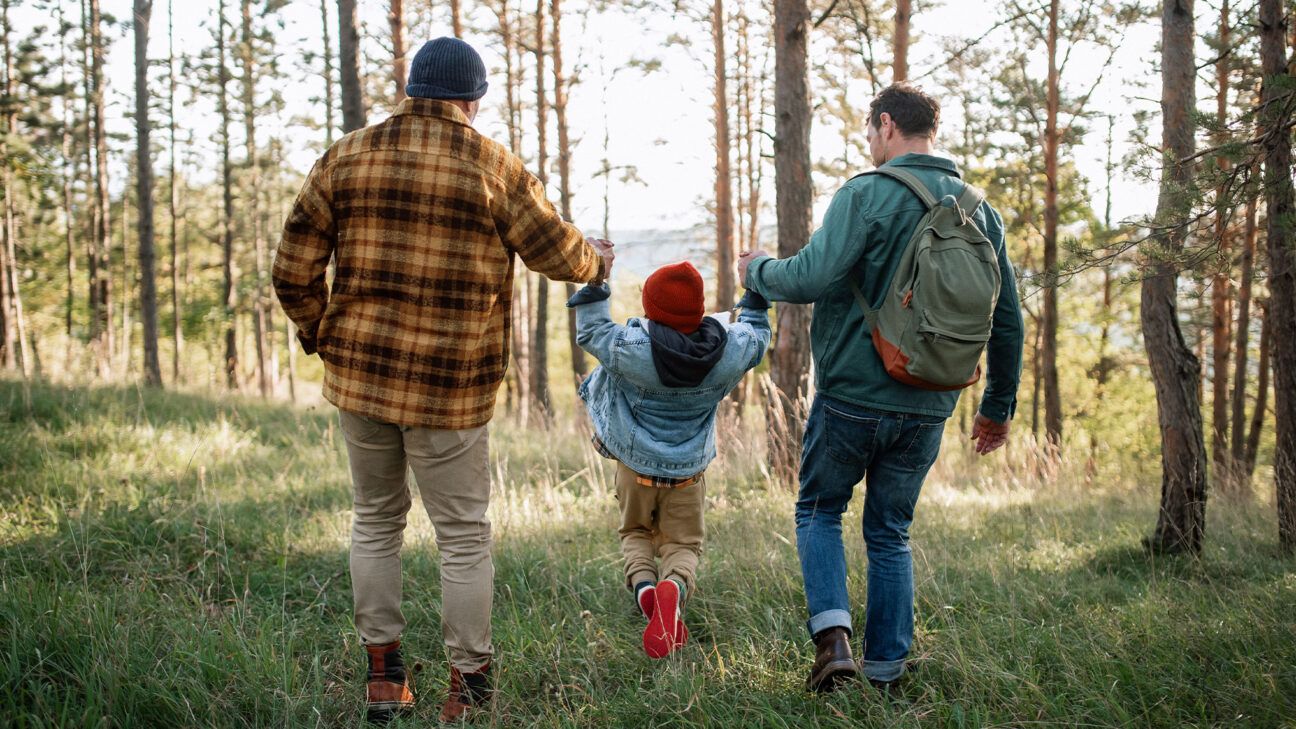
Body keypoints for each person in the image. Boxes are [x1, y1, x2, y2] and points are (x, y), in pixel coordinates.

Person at [272, 37, 614, 724]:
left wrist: (324, 336)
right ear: (472, 98)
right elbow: (556, 251)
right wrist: (598, 263)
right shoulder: (493, 166)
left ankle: (383, 677)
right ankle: (467, 689)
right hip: (450, 388)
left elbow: (291, 270)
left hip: (362, 377)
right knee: (461, 535)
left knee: (375, 520)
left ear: (412, 89)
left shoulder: (346, 155)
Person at [737, 83, 1025, 693]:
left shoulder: (865, 194)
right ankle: (887, 671)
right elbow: (1008, 321)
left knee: (819, 508)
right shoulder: (982, 211)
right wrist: (996, 408)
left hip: (851, 395)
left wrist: (755, 270)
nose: (870, 142)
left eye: (871, 131)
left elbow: (808, 277)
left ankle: (834, 641)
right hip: (931, 401)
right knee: (891, 531)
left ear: (887, 125)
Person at [567, 261, 771, 658]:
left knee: (635, 533)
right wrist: (755, 290)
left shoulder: (631, 348)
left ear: (650, 307)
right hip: (688, 474)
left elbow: (591, 330)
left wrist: (597, 276)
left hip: (633, 469)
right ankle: (673, 587)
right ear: (699, 308)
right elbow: (758, 335)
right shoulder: (729, 351)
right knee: (683, 544)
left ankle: (645, 589)